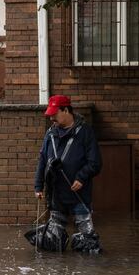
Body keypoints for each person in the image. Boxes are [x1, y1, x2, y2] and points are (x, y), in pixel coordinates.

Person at [30, 95, 102, 253]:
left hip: (79, 193)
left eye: (55, 114)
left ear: (66, 110)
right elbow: (42, 160)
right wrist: (38, 185)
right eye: (50, 115)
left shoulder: (85, 132)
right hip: (56, 193)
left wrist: (81, 177)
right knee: (52, 245)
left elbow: (95, 162)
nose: (52, 119)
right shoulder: (50, 134)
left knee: (89, 243)